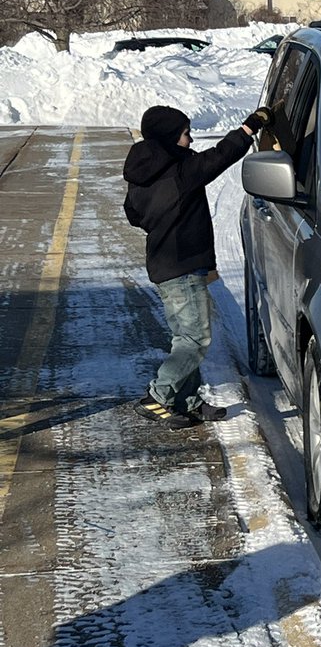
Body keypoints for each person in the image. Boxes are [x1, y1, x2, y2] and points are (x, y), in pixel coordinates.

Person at [123, 104, 272, 428]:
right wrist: (249, 127)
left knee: (184, 338)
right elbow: (219, 156)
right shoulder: (181, 172)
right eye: (185, 134)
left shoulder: (141, 174)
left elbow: (133, 214)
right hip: (183, 266)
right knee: (196, 339)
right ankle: (159, 395)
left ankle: (186, 401)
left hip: (163, 265)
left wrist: (163, 221)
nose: (190, 140)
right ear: (169, 137)